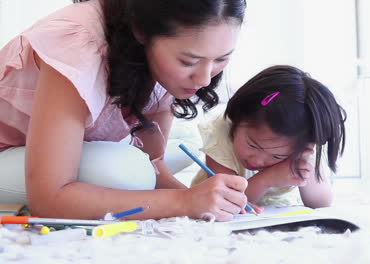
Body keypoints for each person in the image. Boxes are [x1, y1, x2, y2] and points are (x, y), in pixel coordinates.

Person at [0, 0, 252, 221]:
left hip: (55, 153)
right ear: (141, 30)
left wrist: (209, 200)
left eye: (221, 59)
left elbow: (156, 161)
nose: (205, 79)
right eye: (189, 61)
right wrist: (184, 202)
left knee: (184, 143)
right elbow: (48, 200)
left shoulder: (160, 56)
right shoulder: (78, 44)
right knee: (131, 171)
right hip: (10, 155)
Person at [191, 65, 346, 208]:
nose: (257, 160)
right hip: (211, 208)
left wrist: (304, 165)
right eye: (252, 145)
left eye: (277, 155)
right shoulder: (222, 132)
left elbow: (321, 203)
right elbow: (228, 200)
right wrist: (266, 179)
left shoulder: (299, 143)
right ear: (237, 118)